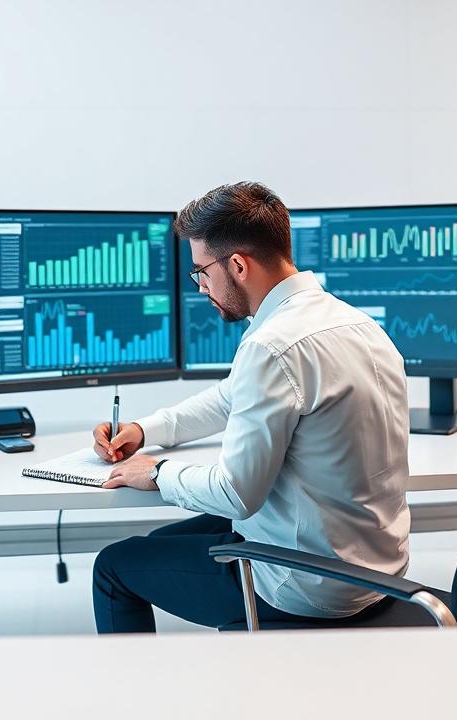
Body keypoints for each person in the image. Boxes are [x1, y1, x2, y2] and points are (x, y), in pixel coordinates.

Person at [91, 182, 410, 634]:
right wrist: (145, 429)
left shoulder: (273, 344)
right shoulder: (356, 324)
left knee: (114, 566)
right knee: (157, 545)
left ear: (237, 264)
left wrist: (157, 472)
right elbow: (229, 396)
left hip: (308, 585)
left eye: (201, 271)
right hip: (377, 570)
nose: (201, 287)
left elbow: (236, 494)